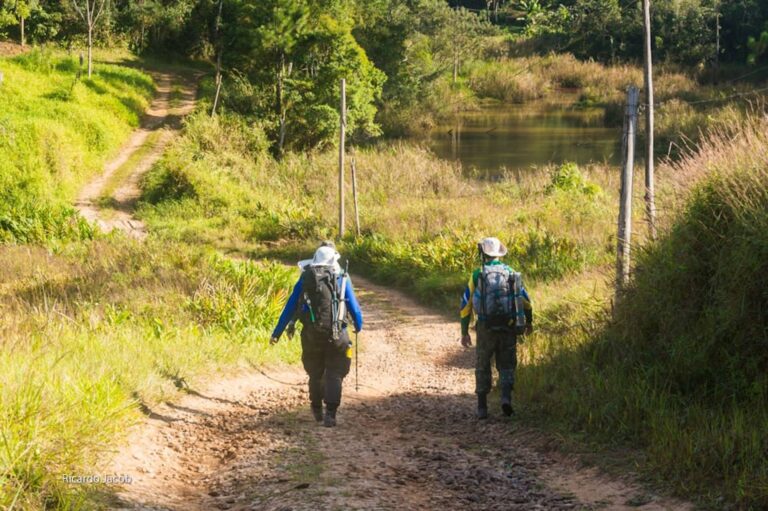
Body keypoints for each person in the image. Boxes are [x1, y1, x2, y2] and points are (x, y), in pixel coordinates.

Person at [270, 243, 363, 427]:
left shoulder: (306, 278)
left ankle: (316, 408)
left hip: (311, 334)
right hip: (337, 333)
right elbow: (354, 308)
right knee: (335, 371)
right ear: (333, 259)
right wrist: (358, 325)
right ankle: (331, 413)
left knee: (315, 372)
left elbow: (290, 307)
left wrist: (277, 333)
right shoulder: (342, 277)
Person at [459, 237, 533, 419]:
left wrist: (464, 332)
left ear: (483, 253)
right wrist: (528, 322)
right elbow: (526, 302)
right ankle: (506, 398)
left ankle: (482, 407)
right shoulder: (511, 273)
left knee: (482, 365)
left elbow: (465, 305)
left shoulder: (477, 275)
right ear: (499, 253)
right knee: (507, 365)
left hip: (485, 328)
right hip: (508, 327)